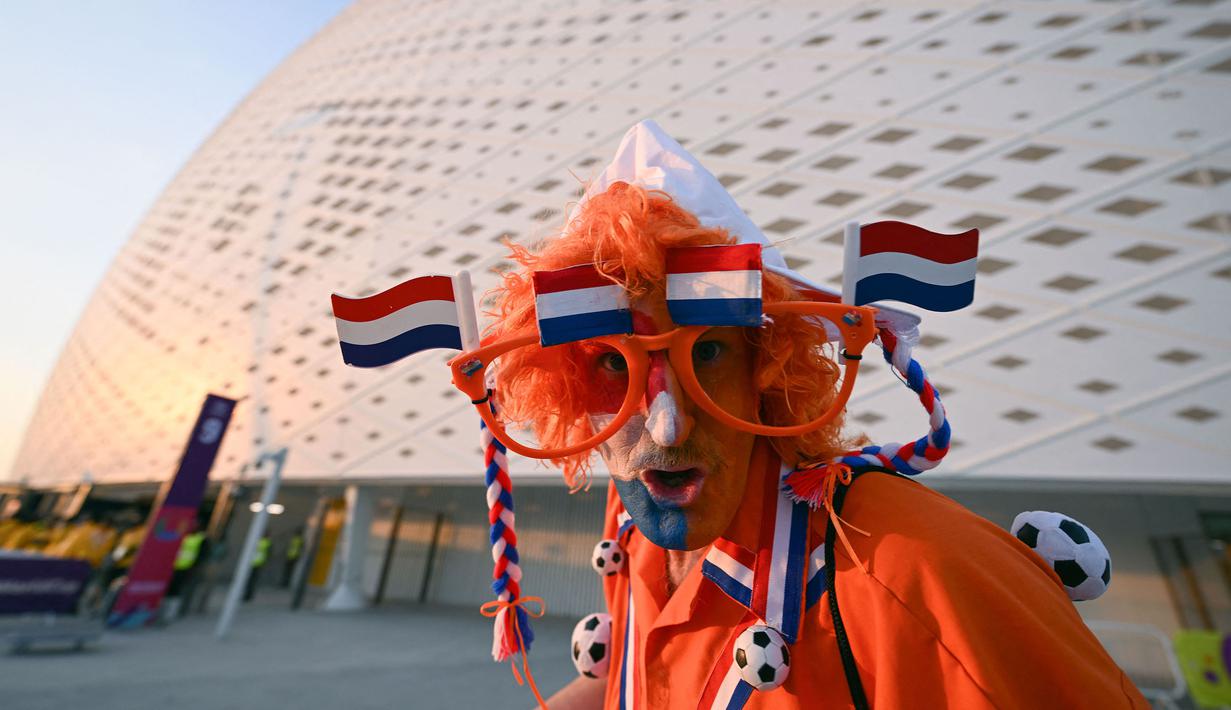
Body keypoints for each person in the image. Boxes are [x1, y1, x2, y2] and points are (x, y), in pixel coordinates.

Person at [462, 122, 1146, 708]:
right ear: (568, 386)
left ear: (768, 371)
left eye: (709, 353)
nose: (667, 425)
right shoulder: (631, 527)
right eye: (615, 364)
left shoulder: (918, 575)